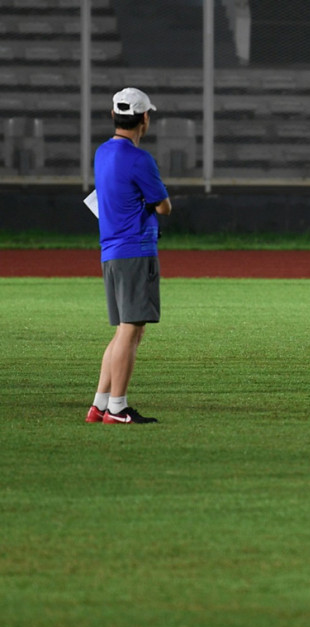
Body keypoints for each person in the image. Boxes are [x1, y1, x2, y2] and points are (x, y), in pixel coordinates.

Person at [85, 87, 171, 424]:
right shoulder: (140, 159)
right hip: (135, 250)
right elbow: (164, 206)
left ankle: (99, 403)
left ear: (114, 116)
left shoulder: (102, 153)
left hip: (111, 251)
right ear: (144, 119)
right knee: (130, 330)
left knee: (125, 329)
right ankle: (117, 409)